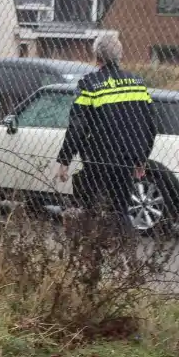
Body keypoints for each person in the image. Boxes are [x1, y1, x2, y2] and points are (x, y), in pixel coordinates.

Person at [55, 31, 158, 230]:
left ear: (96, 56)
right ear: (120, 55)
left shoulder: (90, 85)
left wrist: (65, 161)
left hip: (98, 158)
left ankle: (93, 249)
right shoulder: (137, 83)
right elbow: (150, 123)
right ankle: (126, 251)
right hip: (127, 158)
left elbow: (78, 125)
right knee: (121, 210)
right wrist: (141, 158)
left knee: (91, 208)